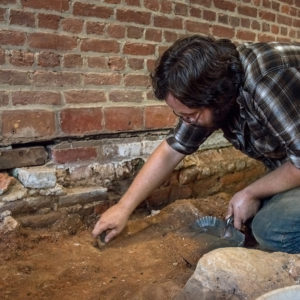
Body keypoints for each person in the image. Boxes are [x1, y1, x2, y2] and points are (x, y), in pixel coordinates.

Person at [93, 35, 300, 254]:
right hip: (292, 157)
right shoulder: (220, 88)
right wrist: (123, 207)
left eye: (190, 115)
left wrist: (250, 192)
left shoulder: (265, 80)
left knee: (274, 228)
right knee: (253, 214)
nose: (186, 121)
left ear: (216, 98)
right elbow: (173, 149)